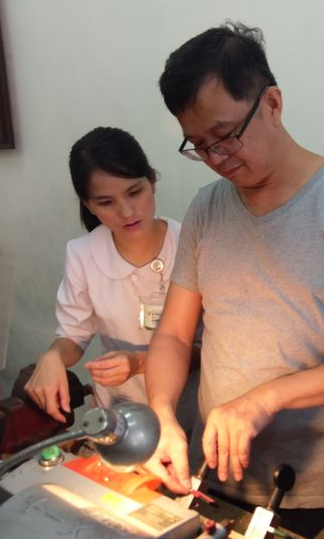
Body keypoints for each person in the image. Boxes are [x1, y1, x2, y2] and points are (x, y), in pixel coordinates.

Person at [144, 22, 324, 539]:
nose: (217, 159)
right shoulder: (207, 207)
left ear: (271, 103)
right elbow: (175, 334)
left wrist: (265, 399)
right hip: (208, 477)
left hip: (308, 487)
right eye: (199, 145)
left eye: (226, 136)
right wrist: (163, 416)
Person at [25, 127, 198, 431]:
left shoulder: (191, 245)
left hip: (189, 411)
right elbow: (74, 335)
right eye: (106, 202)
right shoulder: (83, 254)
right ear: (88, 205)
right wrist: (53, 356)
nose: (127, 212)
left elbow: (212, 349)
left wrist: (139, 362)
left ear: (152, 182)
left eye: (134, 192)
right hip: (121, 413)